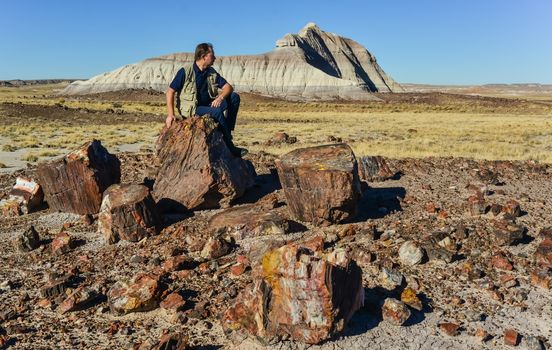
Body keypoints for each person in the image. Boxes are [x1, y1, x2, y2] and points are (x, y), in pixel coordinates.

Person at [165, 43, 247, 157]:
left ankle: (227, 131)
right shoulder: (185, 71)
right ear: (204, 57)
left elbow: (228, 87)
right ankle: (231, 147)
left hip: (208, 106)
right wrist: (170, 114)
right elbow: (170, 91)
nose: (215, 58)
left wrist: (220, 97)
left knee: (234, 97)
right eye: (212, 55)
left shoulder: (211, 72)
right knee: (217, 112)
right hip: (193, 109)